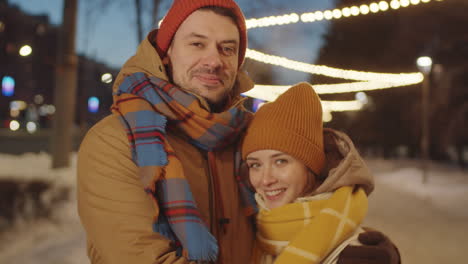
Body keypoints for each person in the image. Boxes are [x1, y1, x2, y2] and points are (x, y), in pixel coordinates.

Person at [77, 1, 401, 263]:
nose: (213, 60)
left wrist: (358, 249)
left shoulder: (247, 136)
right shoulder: (118, 142)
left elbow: (302, 205)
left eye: (227, 48)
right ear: (166, 53)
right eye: (197, 44)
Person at [242, 82, 387, 263]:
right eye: (255, 165)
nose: (265, 180)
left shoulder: (358, 256)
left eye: (280, 161)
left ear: (310, 166)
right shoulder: (252, 233)